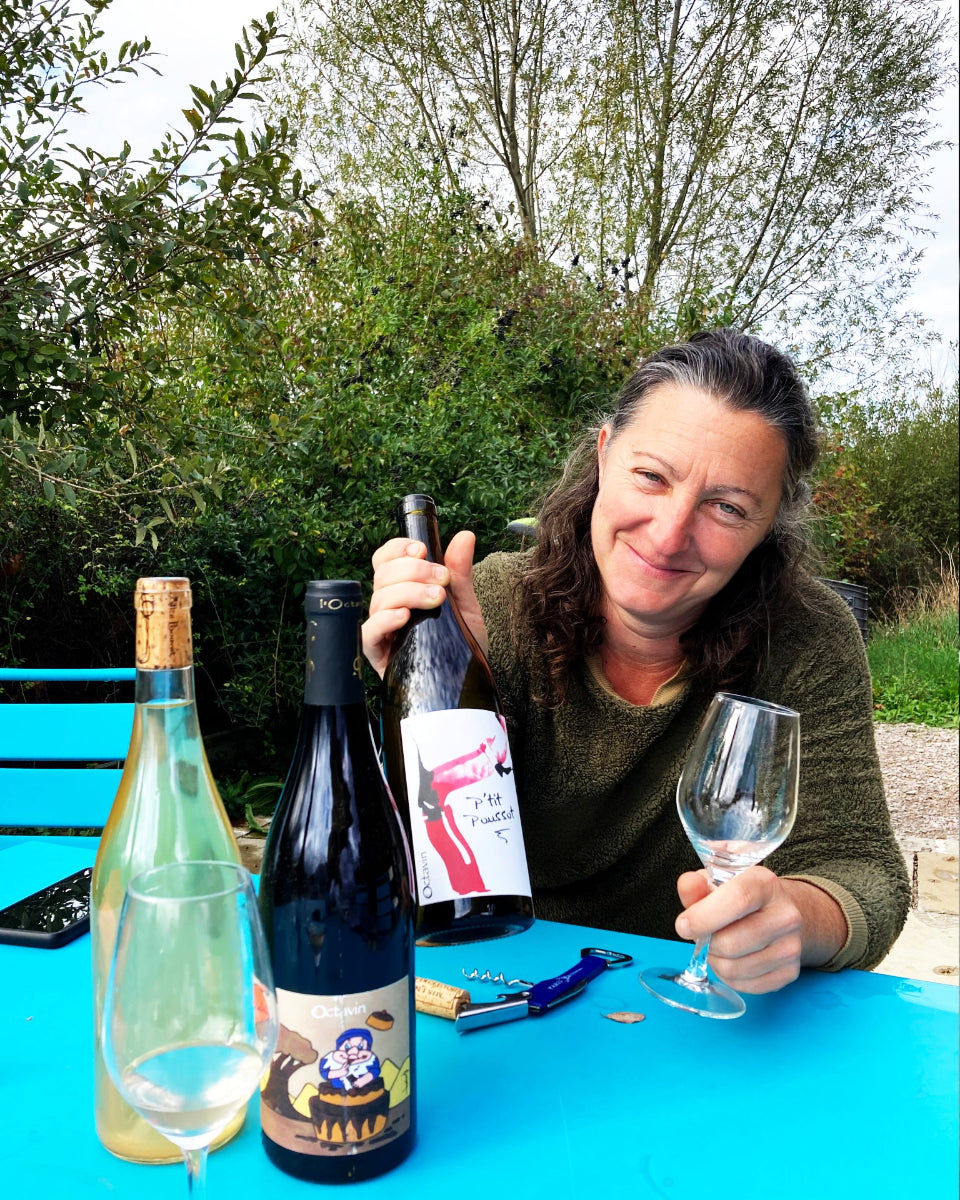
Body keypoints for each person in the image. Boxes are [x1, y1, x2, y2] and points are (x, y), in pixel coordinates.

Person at [362, 329, 909, 994]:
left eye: (728, 507)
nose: (671, 532)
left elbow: (866, 874)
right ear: (603, 453)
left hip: (690, 1010)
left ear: (770, 525)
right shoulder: (494, 600)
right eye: (651, 476)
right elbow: (423, 857)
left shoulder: (808, 636)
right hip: (501, 976)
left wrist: (797, 918)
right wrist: (436, 685)